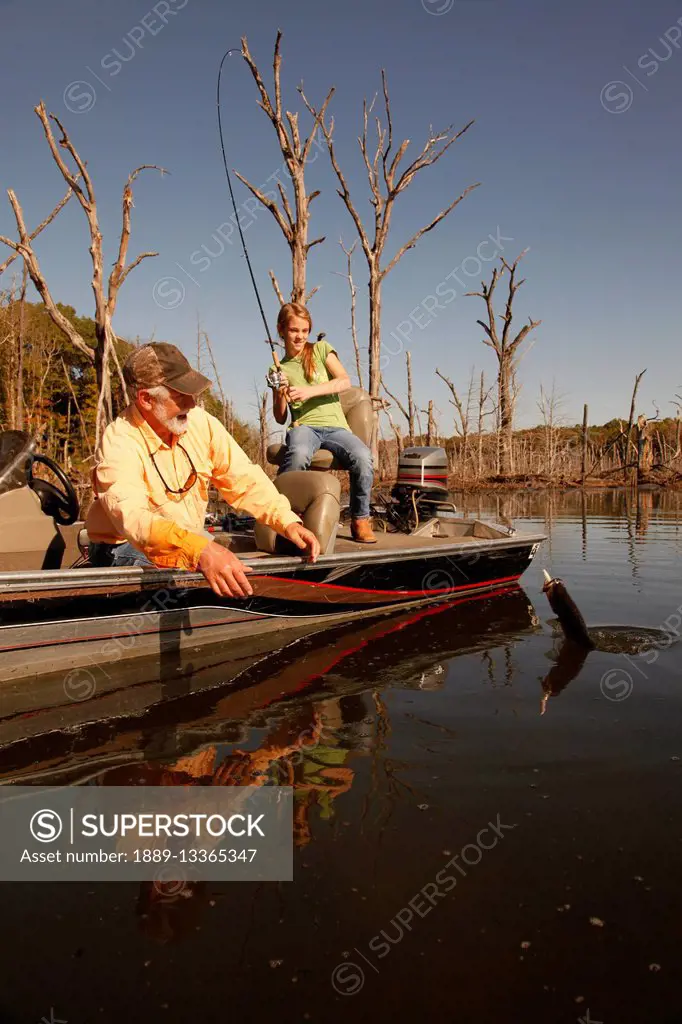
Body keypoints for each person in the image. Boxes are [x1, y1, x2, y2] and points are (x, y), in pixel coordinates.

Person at [86, 342, 319, 597]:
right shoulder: (119, 441)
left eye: (193, 393)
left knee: (231, 579)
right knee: (182, 589)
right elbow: (135, 521)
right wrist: (201, 551)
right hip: (124, 547)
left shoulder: (201, 423)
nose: (192, 403)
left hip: (190, 540)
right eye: (180, 395)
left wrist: (287, 521)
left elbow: (243, 477)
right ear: (146, 399)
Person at [270, 302, 376, 544]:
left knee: (363, 457)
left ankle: (360, 520)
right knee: (298, 452)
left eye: (304, 331)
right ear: (282, 330)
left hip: (336, 427)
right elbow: (279, 417)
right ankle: (287, 518)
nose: (300, 336)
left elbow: (344, 382)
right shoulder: (279, 368)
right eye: (294, 330)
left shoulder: (320, 350)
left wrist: (308, 392)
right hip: (304, 427)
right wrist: (278, 392)